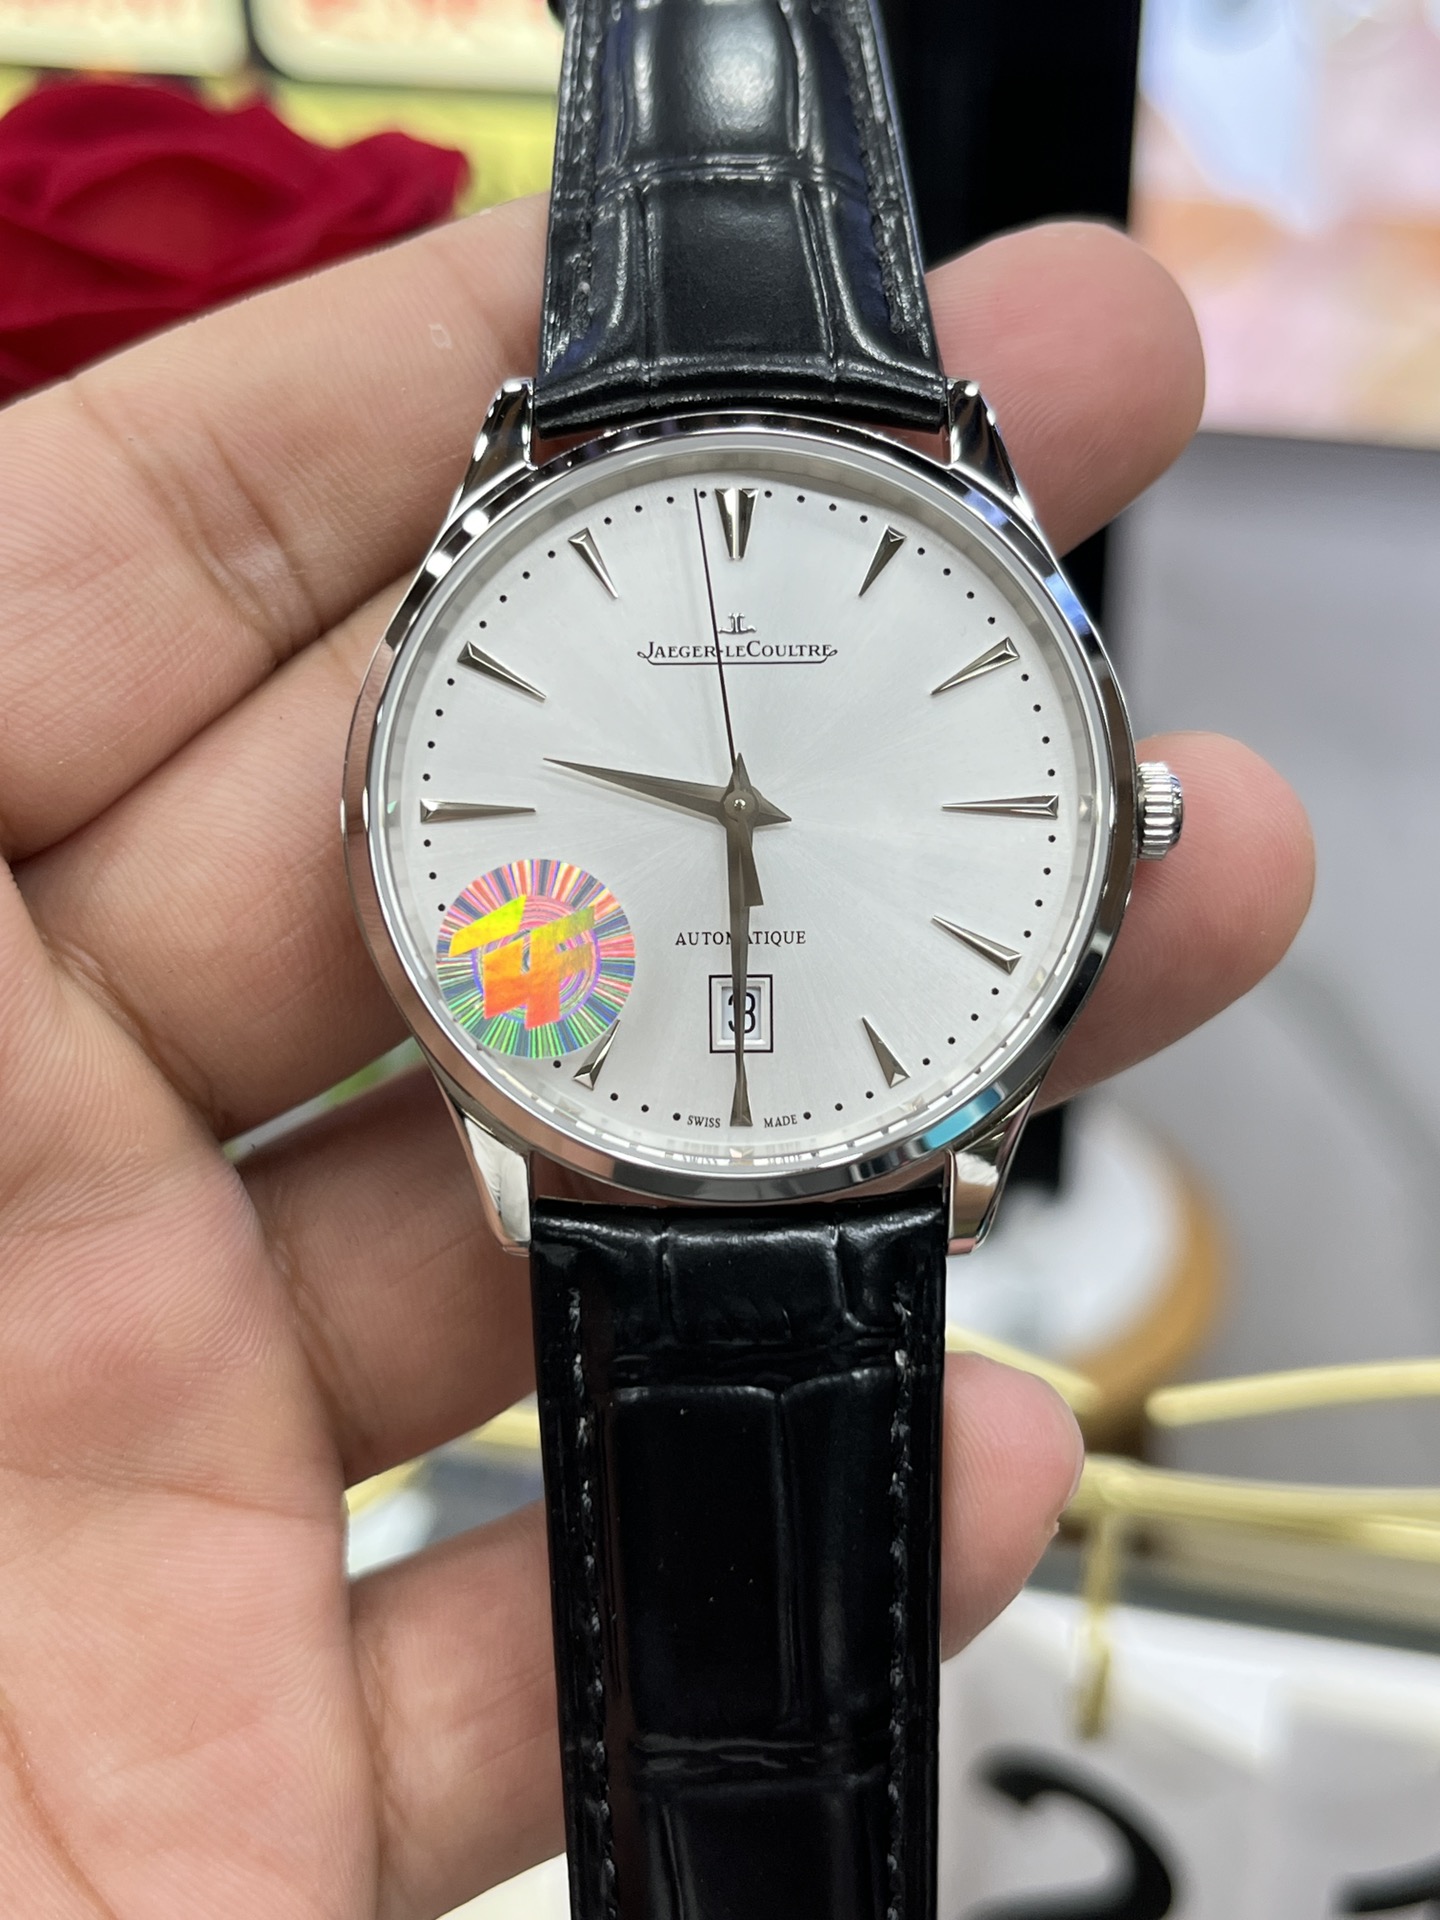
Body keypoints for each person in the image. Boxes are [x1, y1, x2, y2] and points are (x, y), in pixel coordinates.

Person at [0, 196, 1312, 1917]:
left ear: (1121, 814)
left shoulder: (792, 505)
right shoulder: (613, 528)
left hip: (848, 1121)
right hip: (616, 1120)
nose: (744, 811)